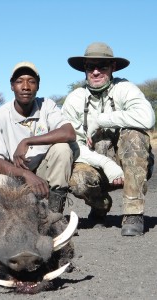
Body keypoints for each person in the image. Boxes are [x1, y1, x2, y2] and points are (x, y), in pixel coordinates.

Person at [62, 42, 155, 236]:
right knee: (76, 179)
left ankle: (133, 213)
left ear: (113, 67)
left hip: (129, 163)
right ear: (84, 69)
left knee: (135, 136)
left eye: (102, 66)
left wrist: (102, 120)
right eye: (90, 67)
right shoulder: (74, 99)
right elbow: (73, 145)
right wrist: (105, 163)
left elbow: (147, 118)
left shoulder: (125, 88)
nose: (96, 72)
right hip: (95, 164)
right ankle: (101, 206)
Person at [0, 62, 77, 212]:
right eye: (19, 81)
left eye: (31, 81)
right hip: (16, 176)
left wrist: (27, 141)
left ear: (38, 86)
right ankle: (12, 221)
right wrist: (25, 174)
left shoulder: (47, 105)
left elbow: (69, 133)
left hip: (43, 175)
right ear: (12, 86)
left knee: (62, 148)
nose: (26, 87)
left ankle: (55, 215)